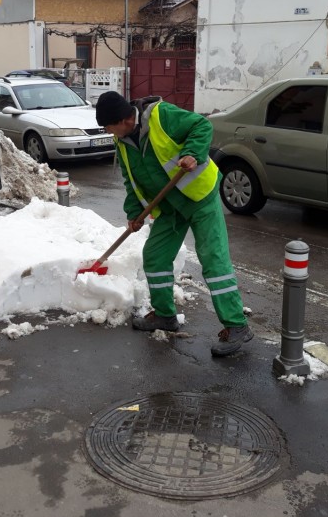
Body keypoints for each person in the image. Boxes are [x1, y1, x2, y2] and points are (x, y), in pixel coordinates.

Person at [95, 91, 253, 357]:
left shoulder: (161, 116)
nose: (107, 131)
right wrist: (135, 212)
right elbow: (130, 179)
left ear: (124, 120)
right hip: (169, 206)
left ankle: (236, 325)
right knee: (155, 256)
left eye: (108, 126)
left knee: (213, 260)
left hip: (200, 198)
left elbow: (202, 125)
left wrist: (192, 152)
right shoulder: (121, 142)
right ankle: (165, 316)